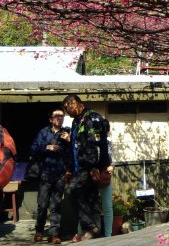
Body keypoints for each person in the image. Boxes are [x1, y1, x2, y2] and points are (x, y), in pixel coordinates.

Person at [61, 95, 109, 242]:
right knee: (90, 198)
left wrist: (95, 166)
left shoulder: (91, 117)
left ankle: (89, 226)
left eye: (66, 108)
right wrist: (69, 169)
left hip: (89, 167)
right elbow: (75, 146)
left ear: (73, 104)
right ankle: (94, 231)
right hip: (79, 167)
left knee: (72, 191)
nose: (66, 112)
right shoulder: (76, 121)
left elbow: (97, 144)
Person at [28, 109, 69, 244]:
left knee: (56, 205)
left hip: (60, 173)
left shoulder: (66, 133)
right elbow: (33, 149)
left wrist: (69, 140)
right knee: (43, 204)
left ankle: (54, 234)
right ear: (51, 119)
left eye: (62, 116)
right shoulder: (43, 132)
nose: (59, 118)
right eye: (56, 116)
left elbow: (74, 151)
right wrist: (47, 147)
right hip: (46, 173)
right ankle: (39, 230)